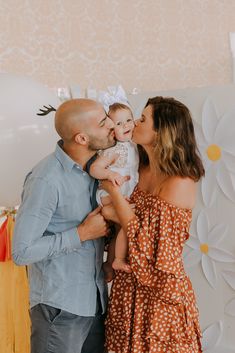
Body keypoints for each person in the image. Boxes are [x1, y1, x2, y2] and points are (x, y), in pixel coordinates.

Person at [100, 96, 205, 353]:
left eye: (143, 119)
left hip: (159, 295)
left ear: (161, 132)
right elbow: (130, 223)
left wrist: (110, 192)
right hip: (129, 289)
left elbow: (144, 240)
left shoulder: (180, 181)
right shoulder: (142, 169)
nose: (135, 122)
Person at [12, 98, 116, 353]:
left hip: (94, 302)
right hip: (59, 309)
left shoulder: (94, 171)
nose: (112, 124)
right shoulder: (46, 179)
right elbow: (22, 251)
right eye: (103, 122)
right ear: (81, 138)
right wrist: (82, 233)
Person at [90, 103, 139, 281]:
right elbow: (95, 169)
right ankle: (117, 259)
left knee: (121, 228)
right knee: (127, 223)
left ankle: (110, 263)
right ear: (112, 129)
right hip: (109, 196)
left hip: (121, 194)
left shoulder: (133, 145)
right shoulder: (115, 149)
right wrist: (110, 173)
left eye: (128, 120)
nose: (125, 125)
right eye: (118, 124)